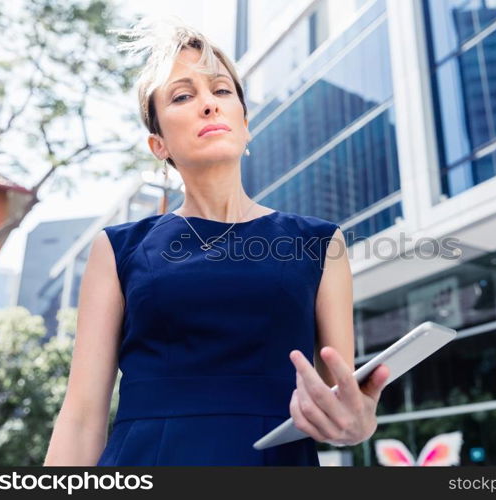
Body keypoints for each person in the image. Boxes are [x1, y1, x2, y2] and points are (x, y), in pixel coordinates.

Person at [43, 14, 389, 466]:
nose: (209, 104)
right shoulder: (118, 248)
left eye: (222, 90)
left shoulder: (321, 243)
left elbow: (335, 400)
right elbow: (83, 416)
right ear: (159, 145)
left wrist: (359, 423)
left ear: (245, 124)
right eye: (183, 96)